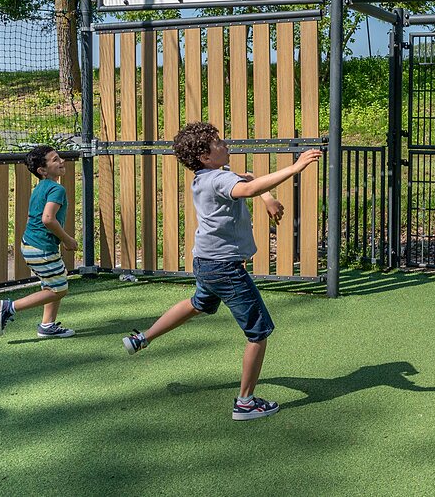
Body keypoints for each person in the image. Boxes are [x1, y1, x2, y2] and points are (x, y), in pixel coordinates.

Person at [122, 121, 323, 422]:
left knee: (198, 303)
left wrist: (268, 199)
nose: (225, 143)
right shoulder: (218, 179)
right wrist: (296, 168)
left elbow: (249, 179)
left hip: (205, 262)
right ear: (204, 156)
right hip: (224, 268)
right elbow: (250, 187)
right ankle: (245, 403)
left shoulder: (208, 177)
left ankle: (143, 338)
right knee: (258, 332)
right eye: (218, 142)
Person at [0, 145, 78, 339]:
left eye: (59, 157)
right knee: (59, 289)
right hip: (42, 248)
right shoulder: (57, 189)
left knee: (54, 282)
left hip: (31, 244)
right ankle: (10, 307)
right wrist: (67, 240)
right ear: (42, 170)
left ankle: (47, 325)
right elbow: (48, 219)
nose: (62, 161)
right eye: (55, 160)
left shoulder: (41, 187)